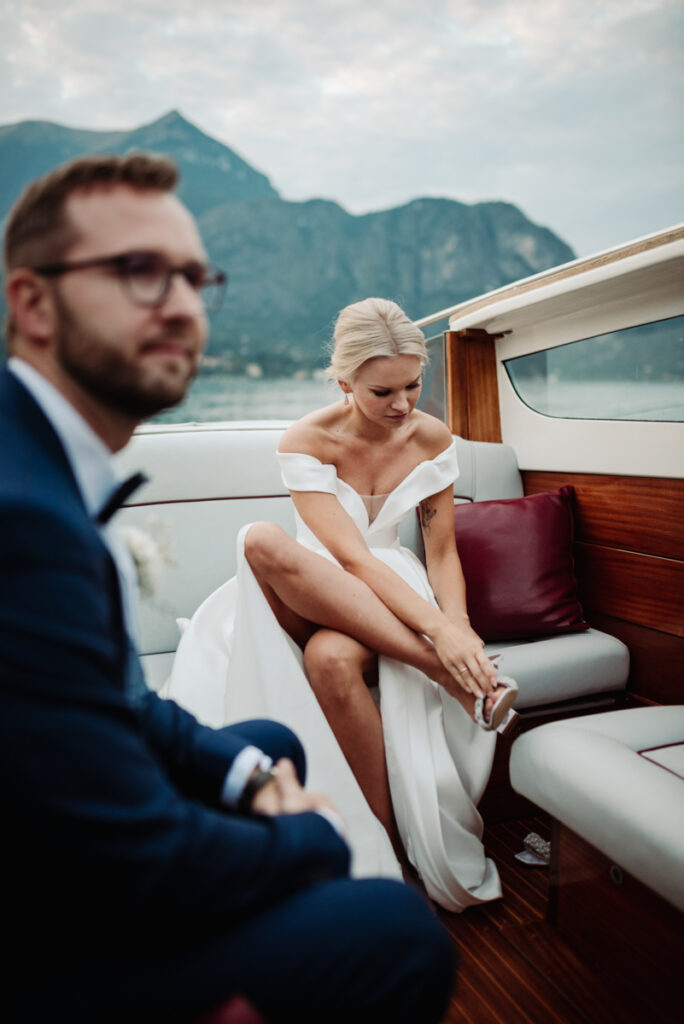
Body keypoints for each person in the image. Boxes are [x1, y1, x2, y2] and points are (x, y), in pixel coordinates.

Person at [0, 155, 453, 1024]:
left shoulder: (40, 464)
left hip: (63, 824)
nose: (180, 302)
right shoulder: (25, 516)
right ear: (32, 303)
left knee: (268, 737)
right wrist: (306, 832)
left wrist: (250, 774)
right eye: (138, 271)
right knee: (398, 930)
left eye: (193, 276)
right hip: (48, 930)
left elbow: (118, 703)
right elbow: (131, 853)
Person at [167, 297, 518, 911]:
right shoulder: (306, 439)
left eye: (413, 385)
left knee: (330, 661)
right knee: (259, 540)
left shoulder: (432, 438)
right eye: (383, 392)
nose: (403, 405)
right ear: (344, 382)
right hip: (312, 583)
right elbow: (352, 558)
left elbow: (441, 554)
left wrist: (459, 627)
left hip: (389, 592)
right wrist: (441, 644)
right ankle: (452, 679)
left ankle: (383, 850)